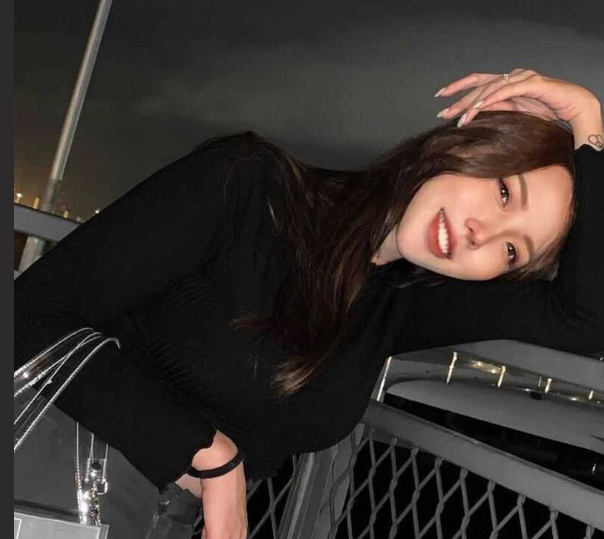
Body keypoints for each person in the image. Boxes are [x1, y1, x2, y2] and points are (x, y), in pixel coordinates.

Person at [14, 68, 603, 539]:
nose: (483, 234)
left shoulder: (403, 301)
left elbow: (588, 321)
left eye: (511, 251)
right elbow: (27, 314)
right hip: (47, 474)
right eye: (504, 192)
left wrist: (590, 121)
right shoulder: (249, 186)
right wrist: (210, 456)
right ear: (470, 144)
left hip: (152, 520)